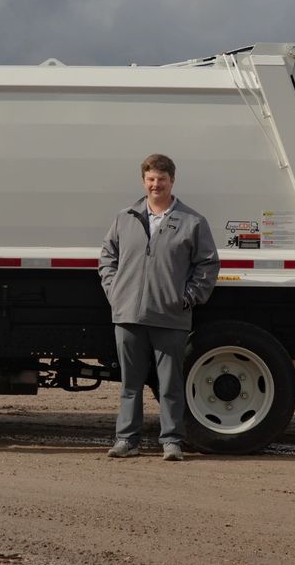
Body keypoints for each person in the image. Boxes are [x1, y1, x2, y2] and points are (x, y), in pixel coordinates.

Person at [98, 153, 219, 461]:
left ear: (172, 181)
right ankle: (126, 441)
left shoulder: (193, 222)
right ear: (144, 181)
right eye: (151, 179)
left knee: (170, 384)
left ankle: (172, 442)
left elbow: (207, 265)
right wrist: (116, 292)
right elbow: (107, 257)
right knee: (130, 384)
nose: (156, 185)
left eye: (161, 179)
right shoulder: (125, 218)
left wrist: (187, 297)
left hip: (170, 317)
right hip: (128, 315)